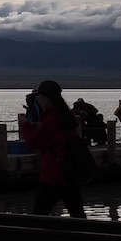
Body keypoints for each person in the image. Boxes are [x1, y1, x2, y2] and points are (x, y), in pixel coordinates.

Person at [19, 79, 86, 218]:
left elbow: (34, 141)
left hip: (54, 175)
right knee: (78, 214)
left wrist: (25, 125)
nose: (38, 100)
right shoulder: (65, 116)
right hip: (69, 173)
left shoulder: (51, 119)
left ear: (48, 99)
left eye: (40, 97)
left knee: (38, 214)